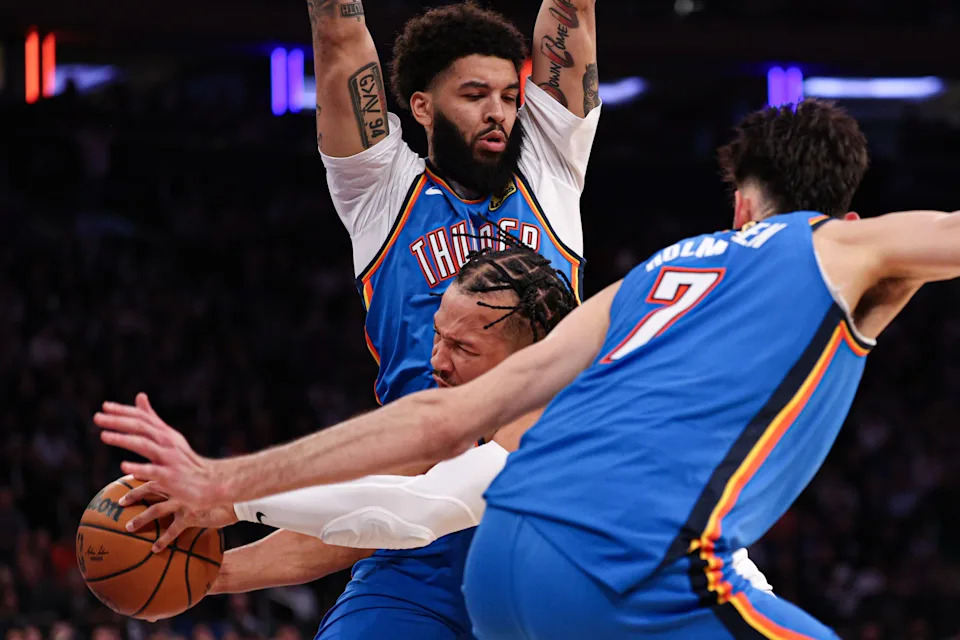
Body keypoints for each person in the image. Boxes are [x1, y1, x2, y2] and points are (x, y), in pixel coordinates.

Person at [100, 99, 946, 638]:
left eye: (458, 345)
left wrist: (228, 486)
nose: (437, 362)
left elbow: (429, 443)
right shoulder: (848, 246)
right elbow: (416, 500)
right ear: (847, 216)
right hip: (621, 568)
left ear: (736, 207)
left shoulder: (647, 280)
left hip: (504, 571)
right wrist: (228, 496)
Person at [172, 0, 599, 637]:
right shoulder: (382, 190)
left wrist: (227, 509)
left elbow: (572, 10)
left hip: (548, 530)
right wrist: (209, 572)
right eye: (475, 94)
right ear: (421, 106)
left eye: (510, 95)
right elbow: (338, 32)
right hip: (410, 542)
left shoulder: (552, 169)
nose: (498, 112)